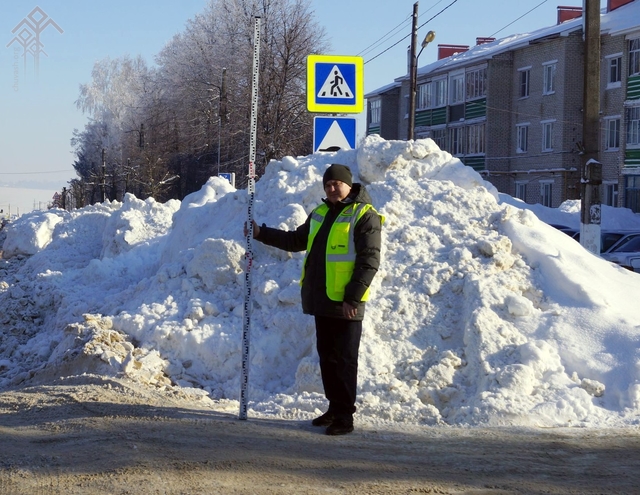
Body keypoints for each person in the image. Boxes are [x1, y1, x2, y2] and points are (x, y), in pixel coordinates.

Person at [245, 163, 383, 435]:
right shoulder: (320, 213)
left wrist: (352, 298)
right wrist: (261, 233)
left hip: (346, 302)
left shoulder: (364, 216)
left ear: (349, 184)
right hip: (322, 299)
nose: (332, 188)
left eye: (337, 184)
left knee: (345, 360)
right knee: (328, 359)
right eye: (328, 184)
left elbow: (369, 261)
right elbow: (296, 240)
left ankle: (345, 416)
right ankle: (334, 408)